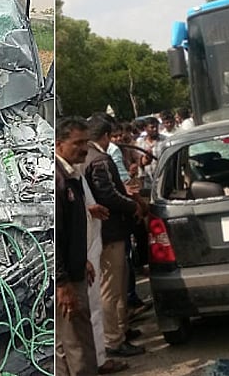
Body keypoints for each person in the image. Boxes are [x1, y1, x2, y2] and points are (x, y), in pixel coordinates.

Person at [84, 116, 144, 358]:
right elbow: (108, 195)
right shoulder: (98, 159)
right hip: (109, 233)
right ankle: (114, 339)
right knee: (111, 289)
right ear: (106, 136)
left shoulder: (89, 157)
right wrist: (133, 206)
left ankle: (121, 330)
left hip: (108, 232)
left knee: (117, 285)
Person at [55, 116, 99, 376]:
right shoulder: (57, 180)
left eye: (86, 142)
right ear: (59, 144)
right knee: (77, 345)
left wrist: (81, 259)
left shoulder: (72, 175)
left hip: (73, 273)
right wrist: (62, 283)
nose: (84, 149)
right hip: (66, 282)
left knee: (69, 345)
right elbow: (54, 237)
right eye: (78, 143)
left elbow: (70, 232)